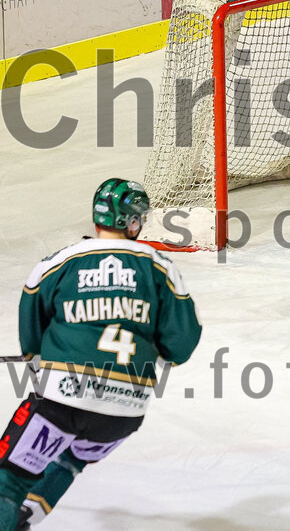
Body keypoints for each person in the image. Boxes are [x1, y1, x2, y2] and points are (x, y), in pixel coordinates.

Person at [0, 179, 202, 530]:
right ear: (134, 223)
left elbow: (32, 324)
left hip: (60, 401)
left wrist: (37, 357)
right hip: (123, 413)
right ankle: (23, 519)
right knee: (68, 461)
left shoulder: (59, 262)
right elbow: (181, 342)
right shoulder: (159, 266)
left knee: (9, 480)